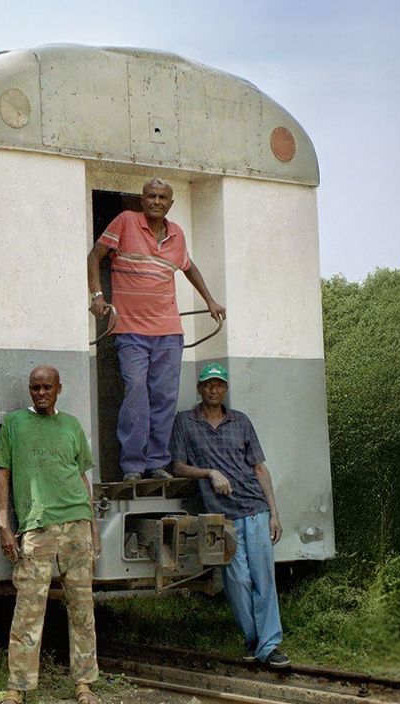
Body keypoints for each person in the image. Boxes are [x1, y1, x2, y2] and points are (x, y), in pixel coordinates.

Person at [87, 178, 226, 482]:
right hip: (130, 330)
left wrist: (210, 300)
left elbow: (188, 267)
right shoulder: (126, 221)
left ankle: (157, 463)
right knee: (136, 393)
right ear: (142, 200)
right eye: (151, 196)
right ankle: (132, 466)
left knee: (164, 398)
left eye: (163, 197)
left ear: (170, 204)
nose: (156, 201)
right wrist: (97, 295)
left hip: (168, 331)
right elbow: (95, 255)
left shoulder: (177, 234)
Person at [0, 365, 101, 704]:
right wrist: (4, 523)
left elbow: (82, 477)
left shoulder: (71, 425)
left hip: (77, 523)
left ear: (59, 389)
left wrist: (93, 528)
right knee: (28, 610)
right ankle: (16, 688)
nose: (41, 393)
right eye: (35, 388)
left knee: (82, 607)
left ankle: (84, 683)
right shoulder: (14, 424)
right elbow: (3, 474)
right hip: (37, 527)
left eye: (47, 387)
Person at [170, 363, 290, 669]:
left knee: (264, 578)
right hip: (221, 518)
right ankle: (253, 639)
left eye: (220, 384)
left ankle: (269, 644)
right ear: (200, 388)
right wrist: (210, 472)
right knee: (237, 580)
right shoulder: (185, 421)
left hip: (255, 509)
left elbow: (259, 468)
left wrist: (274, 513)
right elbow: (178, 466)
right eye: (209, 384)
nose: (214, 389)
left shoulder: (241, 421)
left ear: (225, 389)